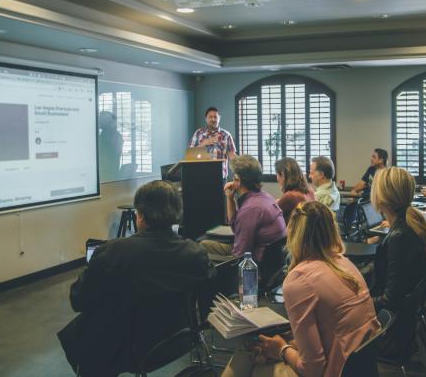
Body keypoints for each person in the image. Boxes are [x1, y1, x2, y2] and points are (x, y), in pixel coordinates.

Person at [58, 181, 214, 377]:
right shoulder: (196, 253)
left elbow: (79, 300)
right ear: (177, 214)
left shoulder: (112, 252)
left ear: (140, 216)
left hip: (123, 349)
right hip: (179, 339)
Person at [222, 201, 380, 377]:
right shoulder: (345, 263)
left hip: (336, 369)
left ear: (293, 233)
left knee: (257, 364)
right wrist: (287, 344)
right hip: (356, 365)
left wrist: (281, 348)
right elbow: (331, 333)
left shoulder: (300, 280)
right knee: (255, 350)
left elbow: (313, 369)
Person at [369, 167, 426, 358]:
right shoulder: (410, 224)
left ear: (381, 197)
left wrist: (357, 303)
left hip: (388, 331)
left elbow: (389, 299)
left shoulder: (399, 237)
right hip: (403, 326)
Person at [200, 155, 286, 262]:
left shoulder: (250, 209)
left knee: (201, 248)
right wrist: (230, 198)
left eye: (234, 178)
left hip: (254, 262)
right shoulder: (265, 197)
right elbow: (236, 229)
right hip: (271, 260)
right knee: (205, 244)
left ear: (238, 180)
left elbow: (239, 256)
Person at [189, 106, 236, 179]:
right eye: (210, 117)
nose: (213, 119)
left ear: (219, 118)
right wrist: (204, 143)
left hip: (220, 177)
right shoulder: (198, 133)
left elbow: (232, 156)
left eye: (215, 117)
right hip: (200, 176)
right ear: (206, 119)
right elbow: (190, 155)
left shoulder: (226, 135)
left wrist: (243, 165)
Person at [275, 157, 315, 224]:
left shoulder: (290, 196)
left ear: (282, 175)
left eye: (277, 174)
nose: (277, 178)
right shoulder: (309, 191)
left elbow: (272, 217)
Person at [97, 111, 123, 180]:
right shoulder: (106, 135)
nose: (99, 121)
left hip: (108, 174)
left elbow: (111, 155)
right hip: (109, 173)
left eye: (102, 119)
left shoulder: (111, 136)